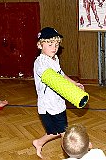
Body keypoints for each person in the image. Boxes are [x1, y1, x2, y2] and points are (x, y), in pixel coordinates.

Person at [33, 27, 84, 159]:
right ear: (40, 45)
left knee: (55, 131)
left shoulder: (54, 59)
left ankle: (38, 142)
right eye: (49, 44)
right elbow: (54, 80)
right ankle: (70, 156)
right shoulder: (40, 63)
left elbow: (60, 74)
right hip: (48, 105)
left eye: (56, 44)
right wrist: (72, 93)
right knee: (64, 134)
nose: (54, 47)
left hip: (57, 102)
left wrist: (74, 84)